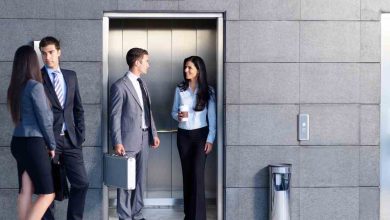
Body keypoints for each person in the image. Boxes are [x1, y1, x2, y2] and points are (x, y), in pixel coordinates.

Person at [39, 36, 89, 220]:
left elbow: (78, 108)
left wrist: (80, 134)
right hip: (48, 142)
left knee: (82, 183)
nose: (47, 57)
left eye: (51, 52)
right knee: (48, 189)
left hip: (71, 139)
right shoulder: (38, 77)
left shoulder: (71, 75)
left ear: (59, 52)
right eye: (43, 53)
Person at [110, 47, 160, 220]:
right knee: (125, 182)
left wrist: (153, 134)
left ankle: (136, 214)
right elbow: (114, 117)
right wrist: (117, 142)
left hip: (145, 138)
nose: (148, 65)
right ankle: (124, 216)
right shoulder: (119, 86)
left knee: (140, 180)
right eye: (146, 61)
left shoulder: (142, 83)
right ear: (137, 62)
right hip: (127, 140)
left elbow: (147, 110)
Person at [7, 45, 56, 220]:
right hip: (33, 143)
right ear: (32, 63)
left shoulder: (15, 88)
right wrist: (51, 145)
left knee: (26, 189)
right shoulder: (35, 86)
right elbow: (45, 119)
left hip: (18, 143)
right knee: (48, 194)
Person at [171, 56, 216, 220]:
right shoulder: (180, 89)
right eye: (185, 67)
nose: (186, 70)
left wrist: (210, 139)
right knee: (188, 175)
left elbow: (212, 117)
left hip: (200, 136)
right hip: (183, 136)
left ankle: (198, 217)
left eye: (189, 67)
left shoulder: (208, 91)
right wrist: (178, 116)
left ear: (198, 70)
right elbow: (173, 112)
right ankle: (189, 215)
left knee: (197, 176)